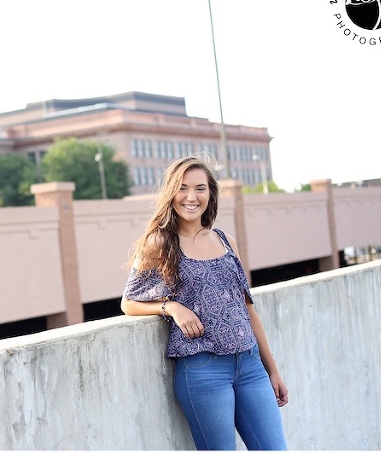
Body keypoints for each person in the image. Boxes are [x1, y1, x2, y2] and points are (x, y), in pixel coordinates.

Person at [120, 155, 289, 451]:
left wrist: (271, 368)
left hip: (250, 365)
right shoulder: (159, 244)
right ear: (171, 193)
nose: (191, 197)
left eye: (200, 188)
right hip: (203, 370)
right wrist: (170, 307)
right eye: (182, 188)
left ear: (210, 193)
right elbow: (129, 301)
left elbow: (247, 307)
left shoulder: (225, 240)